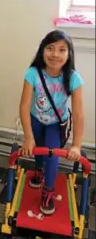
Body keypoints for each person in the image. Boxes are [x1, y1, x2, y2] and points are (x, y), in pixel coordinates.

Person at [19, 30, 84, 215]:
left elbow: (79, 113)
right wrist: (28, 137)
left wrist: (77, 145)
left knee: (52, 153)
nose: (55, 54)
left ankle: (48, 189)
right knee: (37, 147)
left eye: (62, 50)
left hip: (57, 123)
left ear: (68, 54)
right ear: (42, 51)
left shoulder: (73, 78)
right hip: (35, 119)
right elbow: (24, 105)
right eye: (50, 48)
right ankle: (38, 170)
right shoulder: (33, 73)